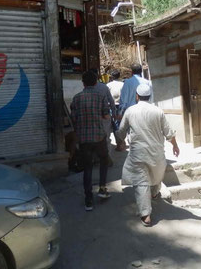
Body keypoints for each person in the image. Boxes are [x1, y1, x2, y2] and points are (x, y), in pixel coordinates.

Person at [118, 84, 180, 227]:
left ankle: (146, 214)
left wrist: (120, 142)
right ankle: (153, 194)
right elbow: (168, 132)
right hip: (156, 152)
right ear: (150, 96)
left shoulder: (130, 110)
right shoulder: (158, 111)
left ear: (137, 96)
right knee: (156, 174)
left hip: (138, 153)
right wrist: (175, 146)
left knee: (141, 182)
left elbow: (121, 130)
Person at [70, 70, 111, 211]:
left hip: (83, 138)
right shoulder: (101, 96)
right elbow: (106, 116)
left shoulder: (76, 98)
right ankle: (102, 188)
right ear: (95, 82)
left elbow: (73, 118)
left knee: (87, 167)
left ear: (83, 83)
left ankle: (88, 199)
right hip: (99, 136)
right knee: (104, 159)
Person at [107, 69, 126, 151]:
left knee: (115, 125)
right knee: (122, 124)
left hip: (112, 106)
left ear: (111, 76)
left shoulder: (108, 85)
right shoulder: (123, 84)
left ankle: (120, 143)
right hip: (121, 105)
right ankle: (122, 141)